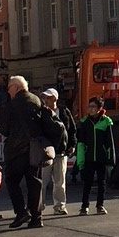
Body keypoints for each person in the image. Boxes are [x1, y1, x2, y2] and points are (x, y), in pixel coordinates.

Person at [0, 75, 57, 229]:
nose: (8, 90)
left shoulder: (11, 105)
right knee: (34, 182)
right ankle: (37, 218)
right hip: (35, 148)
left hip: (16, 150)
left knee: (12, 181)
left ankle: (21, 212)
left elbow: (4, 129)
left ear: (17, 87)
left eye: (9, 87)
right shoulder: (36, 100)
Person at [77, 96, 116, 215]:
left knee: (101, 182)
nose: (91, 109)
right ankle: (84, 206)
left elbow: (110, 143)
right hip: (88, 158)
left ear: (100, 108)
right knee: (87, 182)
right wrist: (80, 161)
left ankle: (100, 205)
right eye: (89, 106)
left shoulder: (106, 122)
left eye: (93, 106)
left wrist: (110, 160)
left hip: (101, 158)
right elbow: (81, 144)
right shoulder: (84, 122)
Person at [39, 88, 70, 216]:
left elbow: (71, 129)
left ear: (55, 99)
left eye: (48, 97)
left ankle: (60, 206)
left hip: (61, 152)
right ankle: (39, 206)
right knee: (42, 181)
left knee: (60, 182)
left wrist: (71, 144)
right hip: (46, 152)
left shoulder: (63, 112)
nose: (46, 99)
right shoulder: (42, 113)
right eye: (45, 97)